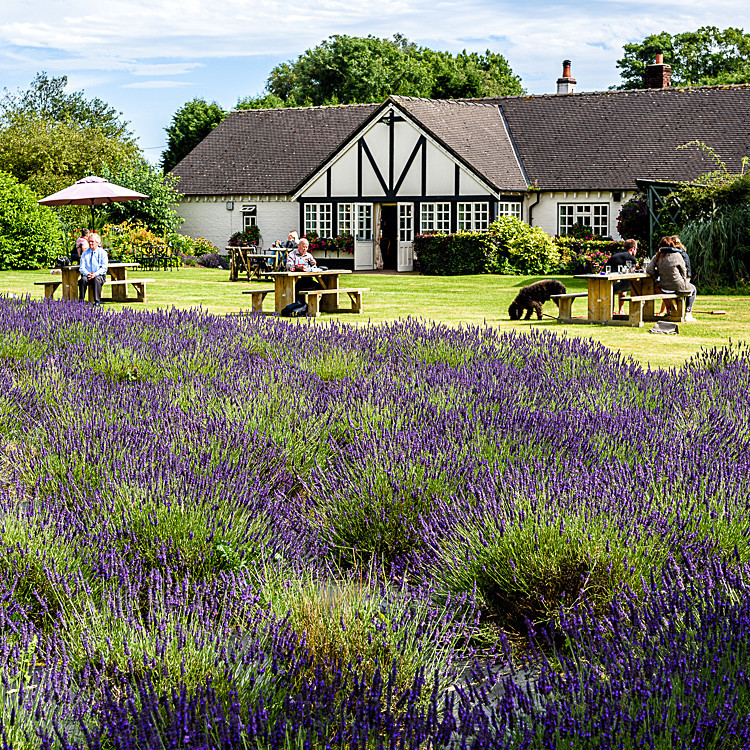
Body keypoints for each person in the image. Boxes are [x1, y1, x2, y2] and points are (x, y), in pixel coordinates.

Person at [646, 240, 696, 322]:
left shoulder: (657, 256)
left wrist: (657, 274)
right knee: (693, 289)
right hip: (678, 286)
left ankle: (669, 308)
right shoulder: (677, 255)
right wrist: (683, 280)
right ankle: (688, 313)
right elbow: (684, 271)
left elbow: (649, 270)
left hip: (664, 287)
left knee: (656, 285)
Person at [606, 238, 638, 315]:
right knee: (636, 285)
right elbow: (633, 272)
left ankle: (615, 310)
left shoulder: (616, 255)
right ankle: (624, 310)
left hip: (607, 283)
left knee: (624, 282)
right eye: (636, 249)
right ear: (632, 249)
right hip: (617, 285)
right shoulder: (631, 258)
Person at [78, 234, 108, 306]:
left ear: (97, 242)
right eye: (89, 241)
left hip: (99, 275)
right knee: (83, 280)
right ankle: (81, 301)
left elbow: (104, 268)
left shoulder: (103, 253)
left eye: (92, 241)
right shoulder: (84, 253)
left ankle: (97, 301)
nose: (90, 243)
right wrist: (88, 274)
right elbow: (82, 268)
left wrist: (95, 274)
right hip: (87, 275)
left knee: (96, 279)